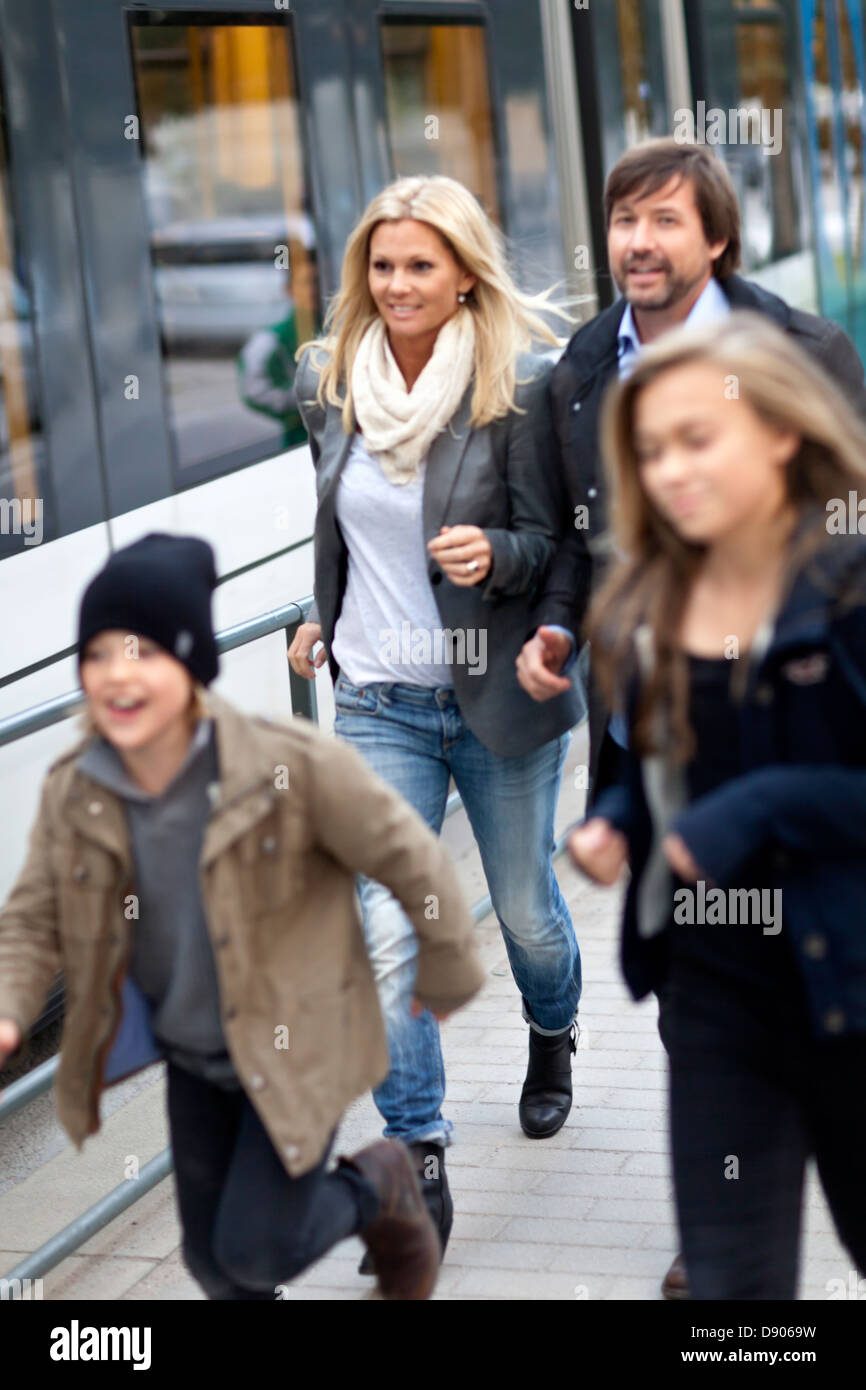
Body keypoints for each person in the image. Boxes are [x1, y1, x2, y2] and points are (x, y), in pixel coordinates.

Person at [515, 136, 866, 1298]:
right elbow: (654, 745)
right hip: (713, 976)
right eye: (647, 449)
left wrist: (751, 808)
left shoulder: (844, 577)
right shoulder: (646, 589)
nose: (663, 472)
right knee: (727, 1286)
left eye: (693, 441)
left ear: (776, 430)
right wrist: (615, 812)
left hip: (846, 962)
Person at [0, 533, 485, 1301]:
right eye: (97, 657)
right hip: (196, 1053)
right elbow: (32, 917)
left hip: (299, 1040)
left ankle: (382, 1184)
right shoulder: (79, 788)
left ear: (191, 666)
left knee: (257, 1250)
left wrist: (444, 962)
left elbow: (405, 854)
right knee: (210, 1263)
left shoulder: (281, 764)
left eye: (143, 656)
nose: (117, 678)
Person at [287, 173, 584, 1266]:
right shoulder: (330, 383)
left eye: (420, 264)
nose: (397, 283)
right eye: (381, 263)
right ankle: (417, 1152)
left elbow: (555, 550)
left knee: (522, 913)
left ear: (463, 274)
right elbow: (328, 523)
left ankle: (550, 1029)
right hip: (376, 701)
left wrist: (494, 555)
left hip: (492, 697)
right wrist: (315, 617)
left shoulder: (517, 389)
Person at [237, 243, 320, 450]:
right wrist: (306, 400)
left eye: (317, 282)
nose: (313, 290)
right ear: (289, 289)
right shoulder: (271, 341)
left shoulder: (339, 324)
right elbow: (255, 391)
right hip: (300, 443)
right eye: (306, 283)